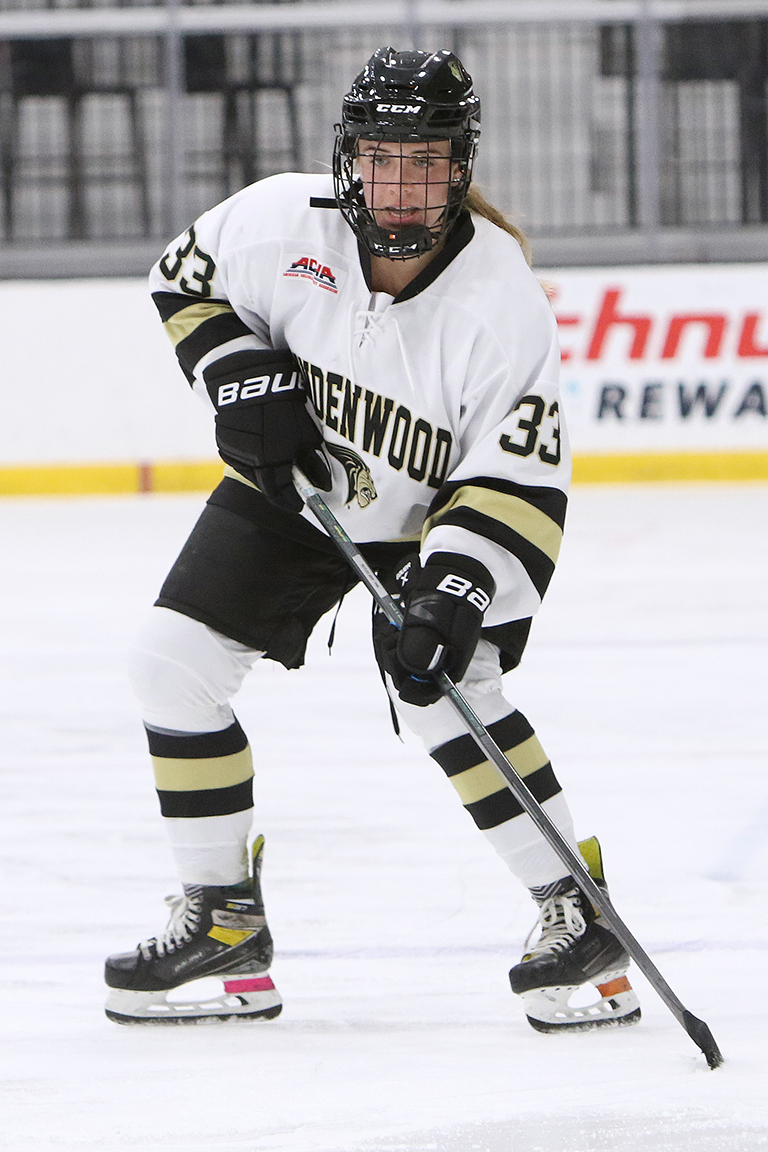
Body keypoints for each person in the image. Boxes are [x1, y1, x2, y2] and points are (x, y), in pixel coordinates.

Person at [104, 46, 640, 1032]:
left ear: (460, 167)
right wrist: (234, 369)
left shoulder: (500, 298)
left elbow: (516, 480)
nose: (402, 186)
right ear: (348, 156)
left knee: (447, 692)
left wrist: (454, 594)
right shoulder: (276, 221)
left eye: (426, 162)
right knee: (169, 663)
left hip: (434, 517)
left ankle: (579, 915)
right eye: (384, 158)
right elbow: (181, 278)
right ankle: (225, 926)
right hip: (302, 491)